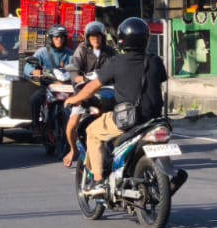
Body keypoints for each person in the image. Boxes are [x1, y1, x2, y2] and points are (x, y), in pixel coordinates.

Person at [65, 17, 166, 189]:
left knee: (92, 132)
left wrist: (74, 98)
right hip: (154, 119)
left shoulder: (116, 61)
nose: (96, 39)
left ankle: (97, 180)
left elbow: (92, 87)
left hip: (128, 118)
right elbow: (160, 79)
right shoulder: (155, 61)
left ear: (121, 40)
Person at [62, 21, 114, 168]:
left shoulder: (110, 52)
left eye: (98, 36)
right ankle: (73, 151)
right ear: (87, 38)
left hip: (105, 93)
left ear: (103, 37)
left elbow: (119, 68)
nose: (95, 39)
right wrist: (79, 78)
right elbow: (74, 70)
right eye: (92, 37)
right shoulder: (82, 50)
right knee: (71, 126)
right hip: (83, 92)